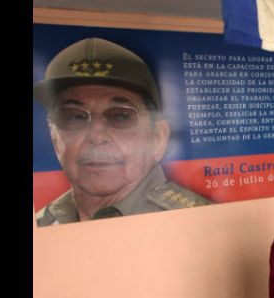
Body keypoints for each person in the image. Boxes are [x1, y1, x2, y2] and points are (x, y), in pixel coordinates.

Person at [33, 37, 210, 226]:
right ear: (55, 139)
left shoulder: (197, 223)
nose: (96, 136)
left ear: (158, 138)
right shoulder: (44, 222)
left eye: (120, 116)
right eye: (75, 117)